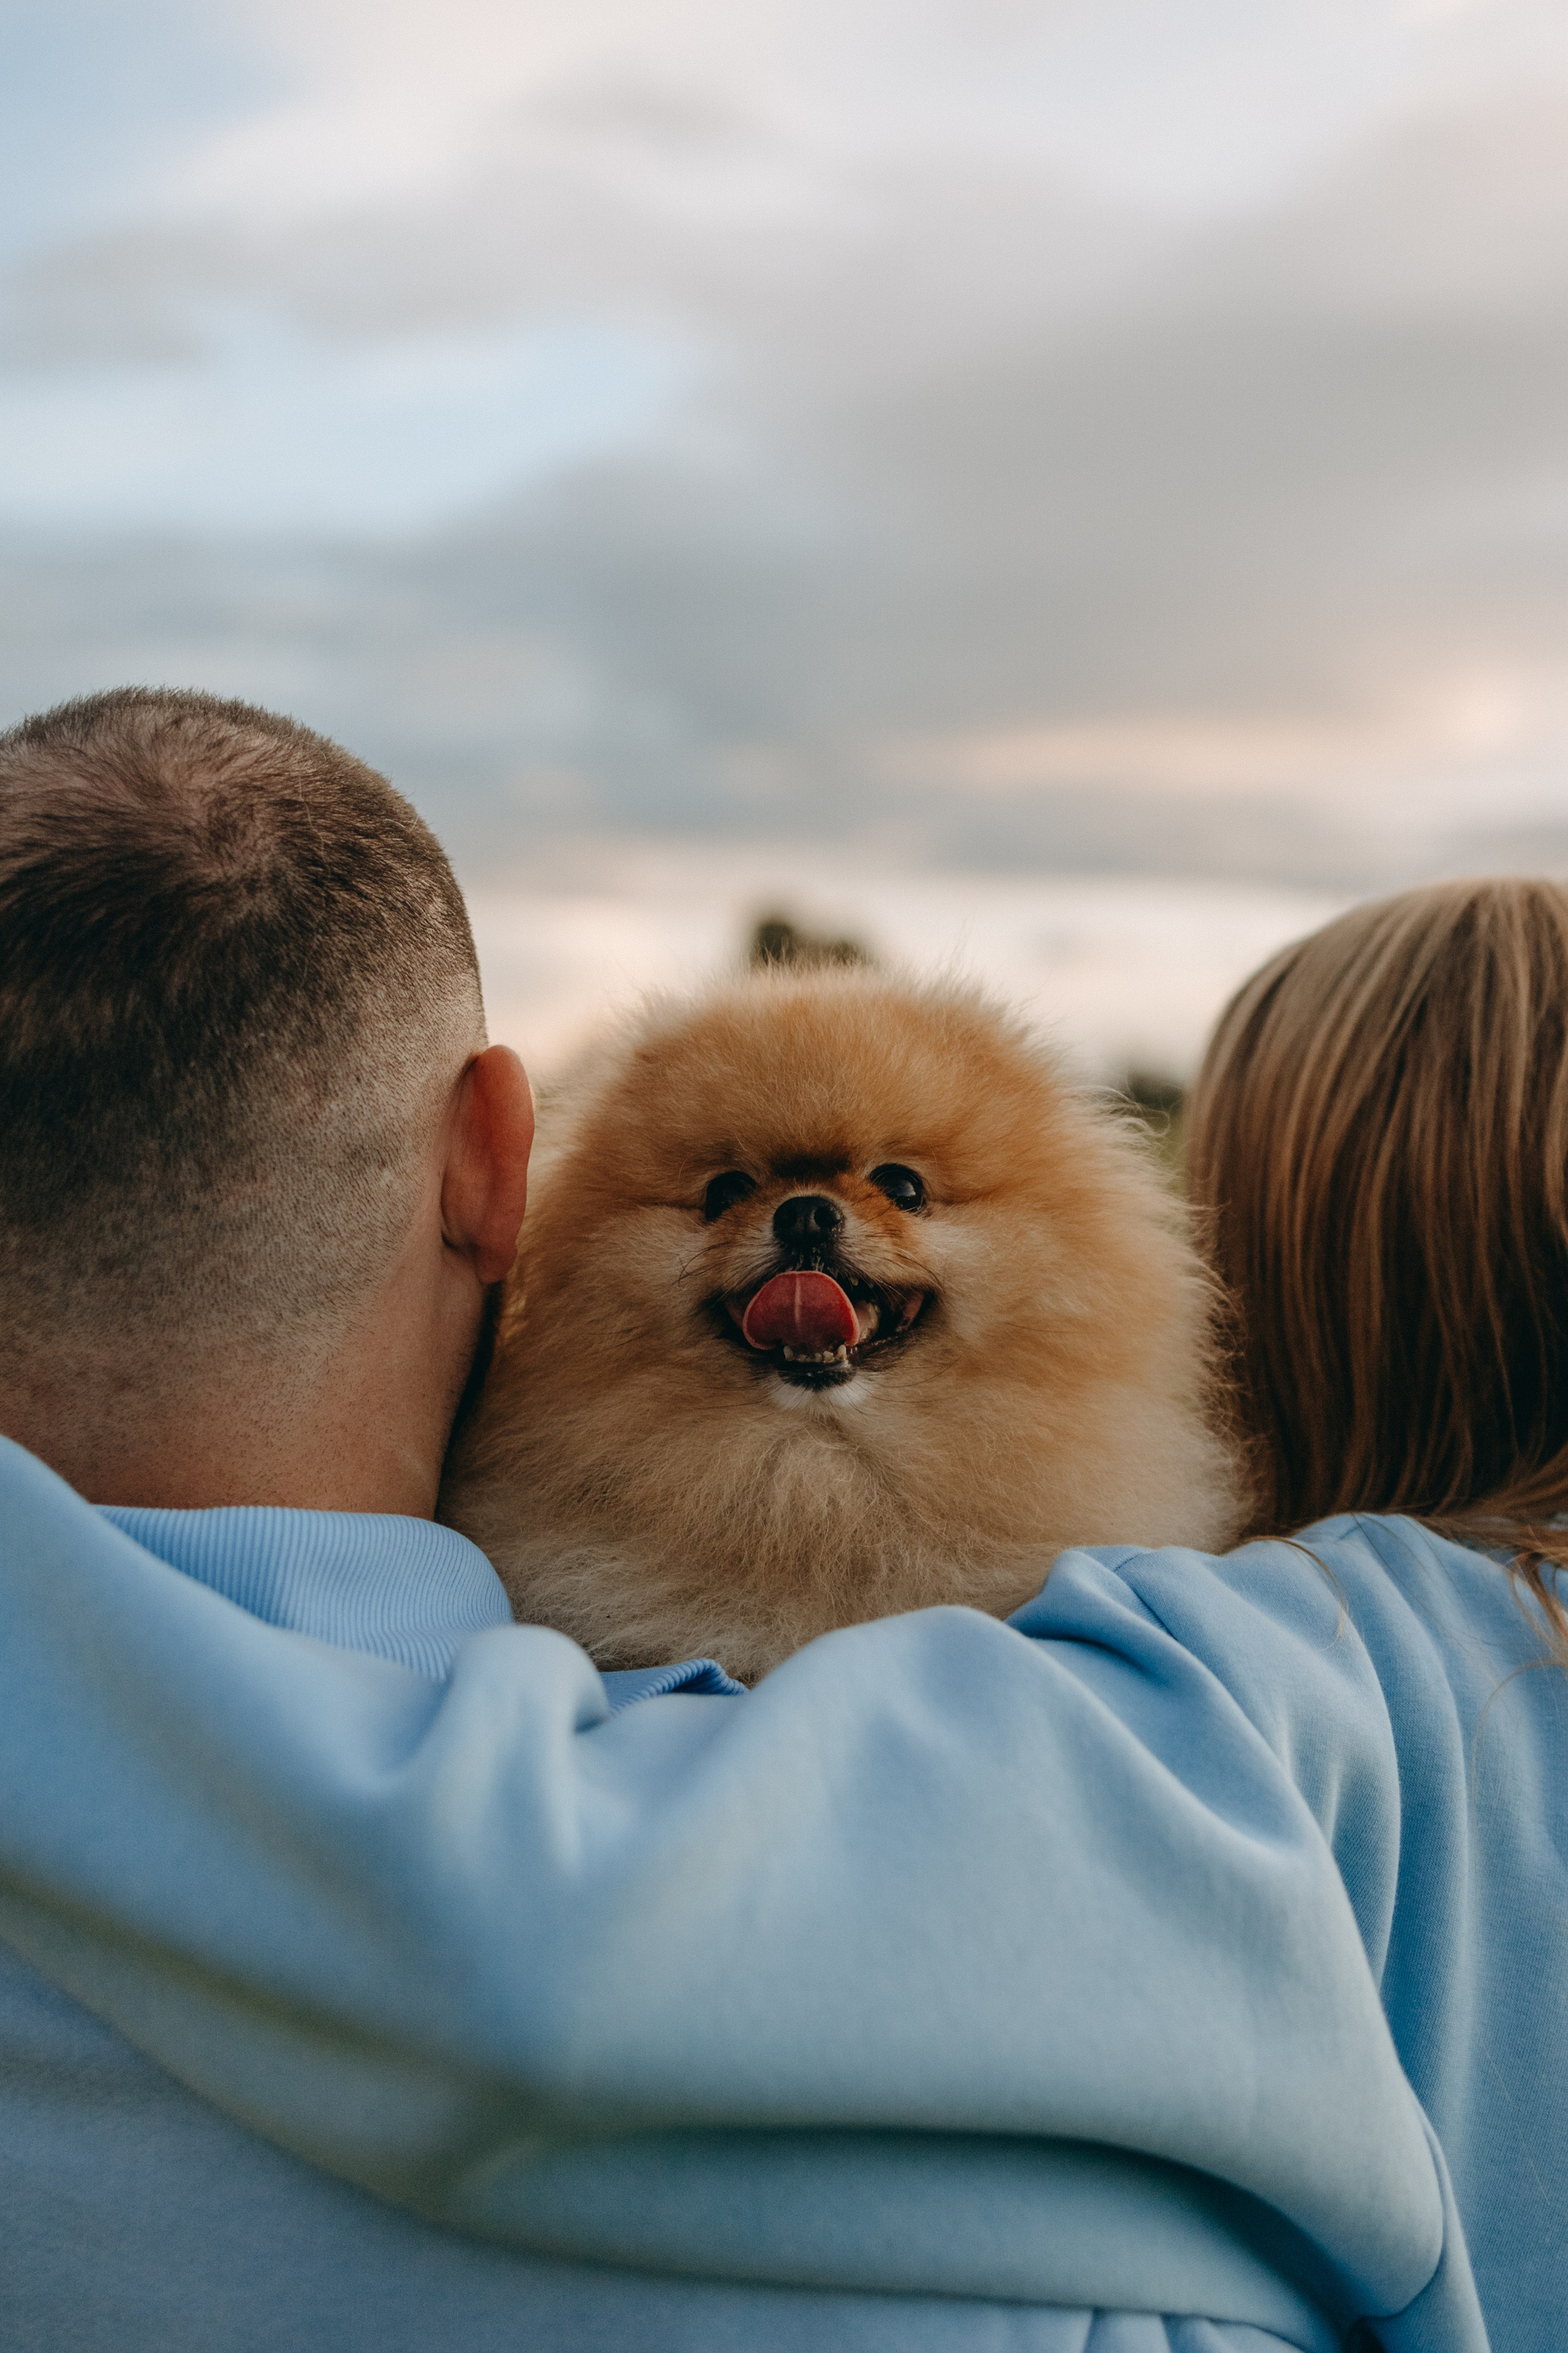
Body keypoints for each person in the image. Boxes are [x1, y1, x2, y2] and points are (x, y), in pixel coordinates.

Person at [0, 693, 1527, 2351]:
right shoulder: (1185, 1791)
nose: (814, 1222)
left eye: (901, 1188)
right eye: (723, 1191)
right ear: (499, 1165)